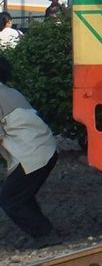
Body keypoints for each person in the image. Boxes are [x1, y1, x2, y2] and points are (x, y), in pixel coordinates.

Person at [0, 56, 59, 248]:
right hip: (45, 149)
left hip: (31, 155)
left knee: (10, 200)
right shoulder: (9, 91)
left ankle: (45, 235)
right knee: (22, 195)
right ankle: (44, 230)